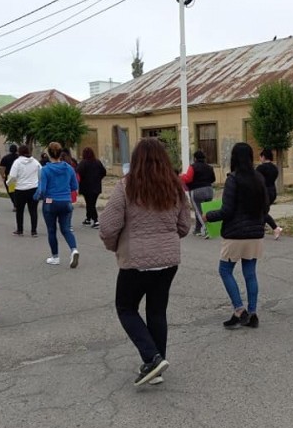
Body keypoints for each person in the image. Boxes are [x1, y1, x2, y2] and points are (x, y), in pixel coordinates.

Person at [99, 138, 190, 387]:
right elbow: (184, 225)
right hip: (168, 261)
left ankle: (152, 358)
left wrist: (114, 246)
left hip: (136, 262)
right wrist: (167, 239)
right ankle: (156, 366)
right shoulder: (175, 187)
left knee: (126, 308)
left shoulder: (126, 187)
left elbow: (108, 227)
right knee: (157, 311)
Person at [205, 143, 269, 329]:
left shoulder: (233, 179)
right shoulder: (259, 178)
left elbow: (227, 210)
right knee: (250, 273)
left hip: (235, 234)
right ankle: (253, 313)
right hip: (256, 234)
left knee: (225, 270)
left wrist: (208, 215)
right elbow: (265, 207)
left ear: (234, 158)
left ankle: (239, 311)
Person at [34, 142, 80, 268]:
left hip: (50, 202)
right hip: (66, 202)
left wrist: (37, 197)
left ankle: (55, 257)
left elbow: (42, 190)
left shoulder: (46, 170)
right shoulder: (69, 168)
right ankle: (74, 249)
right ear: (61, 153)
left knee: (51, 230)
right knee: (66, 229)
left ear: (48, 153)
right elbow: (75, 186)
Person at [7, 145, 41, 237]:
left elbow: (12, 177)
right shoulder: (35, 162)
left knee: (20, 211)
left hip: (20, 189)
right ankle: (34, 231)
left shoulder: (17, 162)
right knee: (33, 211)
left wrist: (8, 183)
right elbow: (41, 173)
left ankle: (20, 230)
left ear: (19, 152)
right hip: (33, 188)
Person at [180, 150, 215, 237]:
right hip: (209, 190)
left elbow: (188, 179)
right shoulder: (209, 167)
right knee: (207, 210)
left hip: (197, 191)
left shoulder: (193, 167)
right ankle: (198, 229)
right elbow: (213, 179)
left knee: (198, 211)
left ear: (195, 158)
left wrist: (181, 176)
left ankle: (206, 230)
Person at [257, 148, 283, 240]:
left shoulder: (261, 168)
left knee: (261, 211)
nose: (260, 159)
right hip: (273, 191)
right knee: (264, 210)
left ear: (263, 157)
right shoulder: (274, 168)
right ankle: (261, 228)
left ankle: (276, 228)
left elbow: (257, 180)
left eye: (260, 157)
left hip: (264, 192)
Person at [77, 147, 107, 228]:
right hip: (96, 187)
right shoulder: (97, 162)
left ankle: (96, 220)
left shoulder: (83, 163)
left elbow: (78, 172)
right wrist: (98, 178)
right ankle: (88, 218)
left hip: (86, 187)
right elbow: (104, 172)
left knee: (90, 204)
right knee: (90, 203)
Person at [0, 144, 18, 210]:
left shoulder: (5, 158)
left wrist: (3, 176)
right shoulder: (19, 157)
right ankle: (18, 204)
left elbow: (2, 168)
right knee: (18, 191)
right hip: (19, 177)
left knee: (12, 192)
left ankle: (15, 205)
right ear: (16, 150)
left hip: (11, 177)